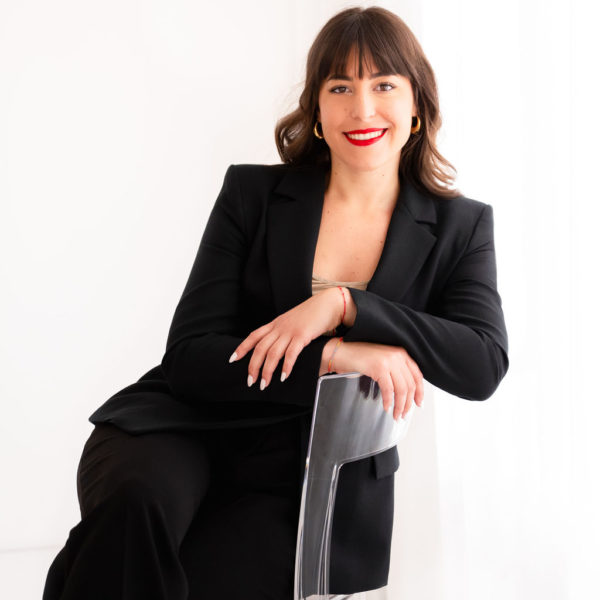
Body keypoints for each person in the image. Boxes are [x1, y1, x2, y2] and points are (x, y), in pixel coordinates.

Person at [42, 5, 509, 600]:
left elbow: (482, 364)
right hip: (187, 425)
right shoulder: (253, 194)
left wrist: (346, 305)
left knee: (185, 577)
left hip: (312, 474)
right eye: (340, 87)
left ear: (417, 104)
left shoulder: (460, 228)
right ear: (316, 110)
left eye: (384, 85)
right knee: (134, 509)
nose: (362, 109)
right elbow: (189, 356)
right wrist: (332, 354)